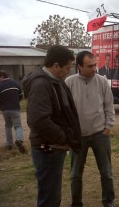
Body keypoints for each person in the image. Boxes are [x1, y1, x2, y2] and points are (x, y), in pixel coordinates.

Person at [23, 45, 81, 207]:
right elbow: (39, 120)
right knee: (49, 198)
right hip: (47, 149)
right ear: (56, 66)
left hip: (54, 148)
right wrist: (63, 138)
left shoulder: (55, 81)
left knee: (53, 195)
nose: (69, 71)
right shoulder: (41, 85)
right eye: (68, 67)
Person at [65, 51, 115, 207]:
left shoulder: (102, 81)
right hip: (78, 137)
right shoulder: (69, 82)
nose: (94, 69)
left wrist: (107, 128)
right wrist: (69, 133)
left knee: (106, 173)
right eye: (90, 66)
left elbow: (109, 106)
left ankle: (109, 202)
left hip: (100, 134)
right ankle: (76, 203)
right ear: (79, 66)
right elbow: (64, 110)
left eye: (95, 65)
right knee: (75, 174)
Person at [0, 70, 26, 153]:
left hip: (5, 110)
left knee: (8, 126)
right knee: (18, 126)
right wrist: (16, 101)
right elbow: (21, 95)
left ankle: (9, 145)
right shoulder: (15, 83)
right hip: (15, 108)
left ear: (2, 77)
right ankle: (19, 140)